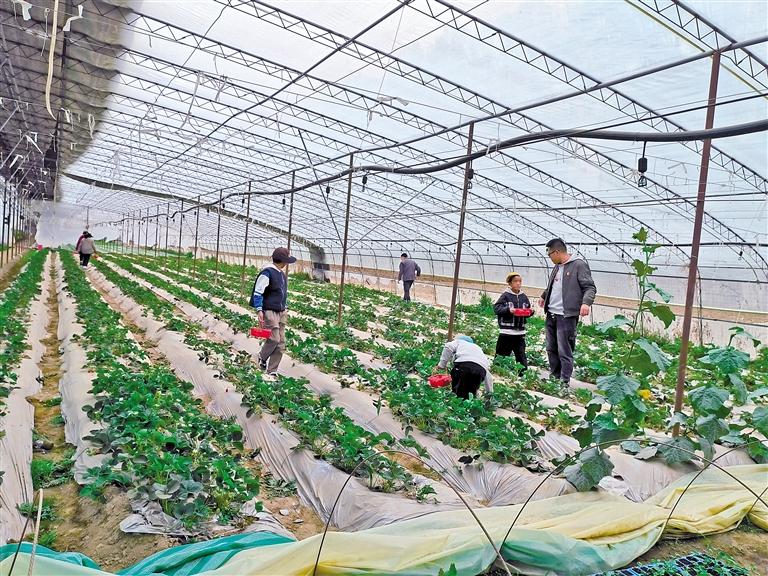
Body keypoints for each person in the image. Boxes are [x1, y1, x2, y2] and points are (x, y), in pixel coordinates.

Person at [538, 238, 596, 386]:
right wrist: (544, 296)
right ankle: (554, 377)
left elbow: (589, 287)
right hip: (551, 313)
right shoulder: (557, 267)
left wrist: (586, 303)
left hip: (566, 315)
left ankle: (564, 381)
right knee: (551, 348)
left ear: (557, 252)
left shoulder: (578, 265)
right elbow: (553, 286)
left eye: (550, 254)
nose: (549, 258)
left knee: (564, 349)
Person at [249, 247, 297, 380]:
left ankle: (272, 370)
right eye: (286, 261)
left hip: (281, 311)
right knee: (274, 338)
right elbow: (258, 292)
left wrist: (284, 307)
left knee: (281, 344)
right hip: (269, 310)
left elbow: (282, 294)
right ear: (282, 261)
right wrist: (259, 309)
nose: (287, 263)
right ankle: (262, 356)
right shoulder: (267, 272)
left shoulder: (281, 274)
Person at [493, 272, 533, 372]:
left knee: (521, 355)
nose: (518, 283)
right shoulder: (505, 296)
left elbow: (527, 308)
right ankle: (498, 371)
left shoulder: (524, 296)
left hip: (520, 332)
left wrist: (530, 312)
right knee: (502, 354)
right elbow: (497, 308)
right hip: (506, 332)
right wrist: (508, 310)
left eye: (520, 281)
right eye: (515, 281)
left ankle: (523, 375)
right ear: (510, 283)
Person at [433, 335, 493, 400]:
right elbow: (488, 376)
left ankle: (456, 399)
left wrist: (441, 365)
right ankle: (468, 401)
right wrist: (489, 394)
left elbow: (448, 346)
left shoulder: (459, 342)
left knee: (457, 392)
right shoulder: (478, 349)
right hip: (480, 371)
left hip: (464, 366)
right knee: (470, 393)